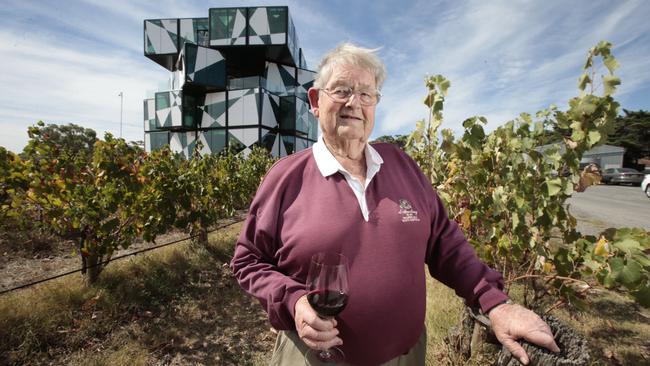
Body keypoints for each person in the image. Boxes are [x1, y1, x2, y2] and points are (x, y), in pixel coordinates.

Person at [231, 42, 560, 366]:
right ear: (316, 101)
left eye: (366, 94)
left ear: (375, 104)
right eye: (341, 90)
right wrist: (293, 301)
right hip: (311, 358)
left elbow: (448, 246)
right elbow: (248, 260)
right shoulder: (286, 177)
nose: (354, 103)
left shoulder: (402, 165)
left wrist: (496, 304)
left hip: (406, 356)